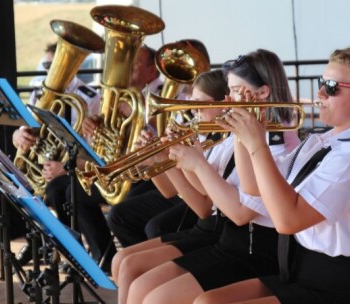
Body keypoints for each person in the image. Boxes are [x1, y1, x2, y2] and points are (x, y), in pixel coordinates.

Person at [195, 45, 350, 304]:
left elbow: (288, 221)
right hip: (304, 270)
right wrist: (243, 134)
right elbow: (255, 189)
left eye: (332, 86)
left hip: (345, 287)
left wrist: (257, 144)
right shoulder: (324, 141)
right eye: (322, 82)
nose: (320, 92)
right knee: (207, 301)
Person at [125, 49, 300, 304]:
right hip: (232, 241)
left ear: (262, 94)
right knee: (144, 285)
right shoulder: (240, 137)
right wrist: (174, 160)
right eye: (229, 92)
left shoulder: (279, 145)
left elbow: (239, 212)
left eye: (237, 92)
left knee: (156, 297)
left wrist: (196, 164)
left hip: (255, 249)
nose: (229, 101)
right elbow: (207, 199)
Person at [110, 69, 232, 303]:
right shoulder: (211, 139)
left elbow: (202, 205)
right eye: (192, 104)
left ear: (223, 103)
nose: (193, 111)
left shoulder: (221, 142)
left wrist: (181, 160)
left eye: (200, 104)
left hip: (215, 229)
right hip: (204, 225)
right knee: (122, 260)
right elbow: (169, 191)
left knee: (131, 265)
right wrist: (156, 159)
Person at [104, 41, 211, 248]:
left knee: (156, 226)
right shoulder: (181, 109)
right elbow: (169, 190)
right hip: (179, 185)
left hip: (199, 190)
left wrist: (160, 155)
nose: (180, 72)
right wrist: (153, 156)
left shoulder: (196, 107)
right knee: (119, 215)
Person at [13, 41, 102, 266]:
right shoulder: (38, 94)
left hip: (76, 169)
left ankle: (72, 248)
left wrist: (64, 168)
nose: (49, 70)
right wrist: (19, 135)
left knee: (56, 189)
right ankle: (39, 242)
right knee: (11, 186)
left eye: (55, 65)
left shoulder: (89, 97)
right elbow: (25, 129)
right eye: (47, 64)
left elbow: (97, 151)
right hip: (45, 166)